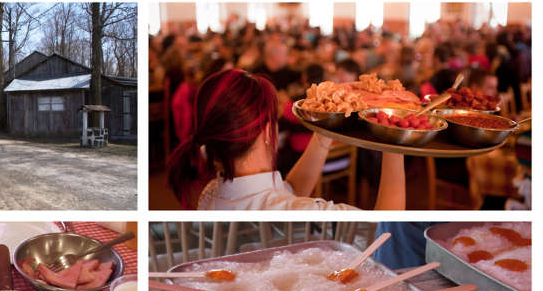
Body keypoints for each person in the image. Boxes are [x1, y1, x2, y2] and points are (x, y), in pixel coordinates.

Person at [167, 69, 406, 210]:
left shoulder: (211, 193)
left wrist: (324, 127)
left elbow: (289, 192)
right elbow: (390, 214)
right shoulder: (296, 210)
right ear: (269, 129)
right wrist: (392, 139)